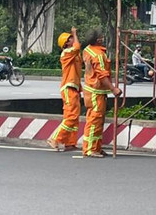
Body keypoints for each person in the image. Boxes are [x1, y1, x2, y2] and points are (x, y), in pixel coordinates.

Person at [81, 28, 122, 158]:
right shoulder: (98, 55)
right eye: (101, 37)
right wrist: (113, 89)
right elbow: (102, 75)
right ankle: (90, 149)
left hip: (91, 90)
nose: (103, 39)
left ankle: (96, 147)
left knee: (96, 121)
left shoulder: (87, 50)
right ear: (97, 40)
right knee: (95, 121)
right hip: (95, 92)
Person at [46, 27, 82, 152]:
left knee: (74, 117)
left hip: (75, 88)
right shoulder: (66, 53)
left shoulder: (74, 54)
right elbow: (77, 47)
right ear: (66, 43)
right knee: (71, 116)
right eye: (71, 38)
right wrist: (74, 33)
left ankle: (69, 143)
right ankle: (55, 138)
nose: (73, 39)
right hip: (68, 87)